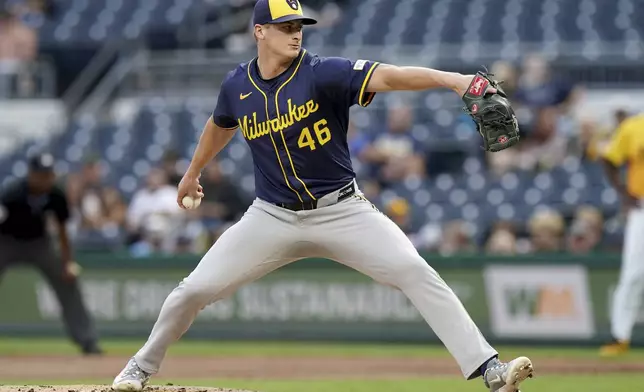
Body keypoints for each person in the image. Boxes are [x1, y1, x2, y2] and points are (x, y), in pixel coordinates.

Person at [111, 1, 533, 391]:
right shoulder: (237, 84)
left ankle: (490, 369)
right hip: (271, 217)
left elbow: (392, 75)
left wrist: (454, 80)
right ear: (260, 32)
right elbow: (221, 124)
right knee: (193, 291)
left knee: (414, 270)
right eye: (285, 27)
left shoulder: (322, 72)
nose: (296, 34)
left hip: (342, 210)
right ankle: (140, 367)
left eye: (299, 26)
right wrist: (192, 172)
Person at [0, 153, 102, 355]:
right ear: (30, 174)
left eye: (48, 174)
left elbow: (63, 232)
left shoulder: (56, 194)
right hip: (7, 242)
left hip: (39, 243)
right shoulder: (13, 192)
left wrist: (67, 263)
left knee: (68, 282)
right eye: (40, 174)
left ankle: (87, 340)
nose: (45, 179)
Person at [599, 112, 644, 357]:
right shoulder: (635, 126)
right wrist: (624, 194)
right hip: (642, 209)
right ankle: (620, 336)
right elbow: (608, 158)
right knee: (633, 274)